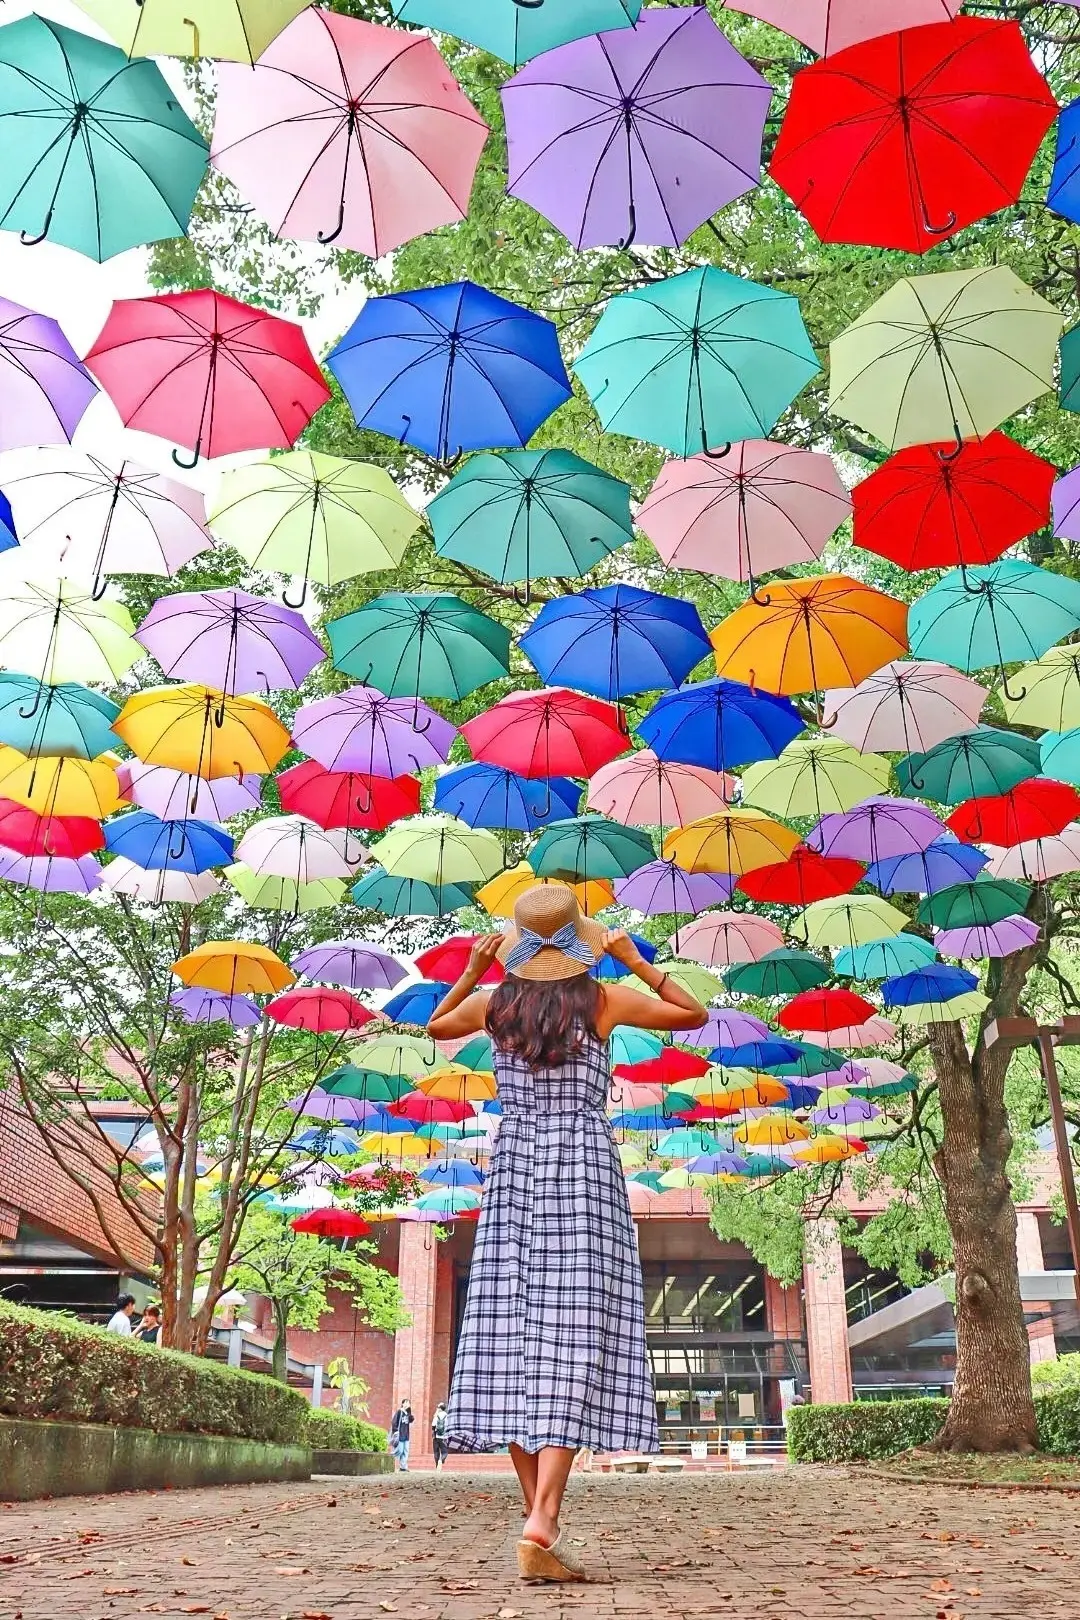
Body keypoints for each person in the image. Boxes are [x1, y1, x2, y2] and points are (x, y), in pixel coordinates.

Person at [427, 887, 708, 1584]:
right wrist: (631, 958)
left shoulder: (496, 1007)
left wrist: (471, 970)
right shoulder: (602, 1002)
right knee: (574, 1336)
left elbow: (436, 1026)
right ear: (578, 946)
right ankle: (542, 1521)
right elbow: (692, 1012)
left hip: (516, 1170)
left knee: (512, 1338)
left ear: (519, 946)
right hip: (583, 1171)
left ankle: (539, 1524)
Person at [389, 1398, 413, 1471]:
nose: (407, 1404)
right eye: (405, 1402)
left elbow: (411, 1420)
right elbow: (394, 1422)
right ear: (402, 1404)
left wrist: (409, 1412)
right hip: (400, 1434)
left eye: (408, 1403)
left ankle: (403, 1467)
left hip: (406, 1435)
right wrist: (395, 1431)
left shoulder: (407, 1413)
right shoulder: (399, 1412)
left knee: (405, 1451)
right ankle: (389, 1458)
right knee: (400, 1450)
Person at [432, 1401, 449, 1471]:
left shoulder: (437, 1415)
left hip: (436, 1436)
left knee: (436, 1452)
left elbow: (433, 1425)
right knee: (444, 1452)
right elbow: (447, 1426)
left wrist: (433, 1434)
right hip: (443, 1437)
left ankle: (437, 1466)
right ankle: (441, 1460)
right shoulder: (446, 1416)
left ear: (439, 1408)